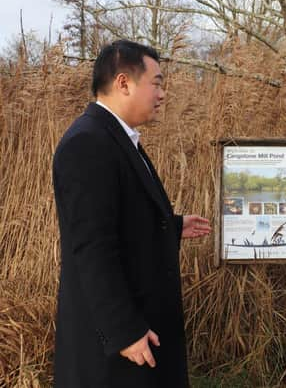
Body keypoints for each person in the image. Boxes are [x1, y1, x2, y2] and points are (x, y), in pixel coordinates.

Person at [52, 40, 211, 388]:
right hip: (116, 351)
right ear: (124, 82)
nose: (162, 94)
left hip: (140, 330)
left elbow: (121, 216)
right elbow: (92, 248)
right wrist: (124, 331)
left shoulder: (117, 138)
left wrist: (171, 225)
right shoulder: (88, 143)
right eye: (156, 82)